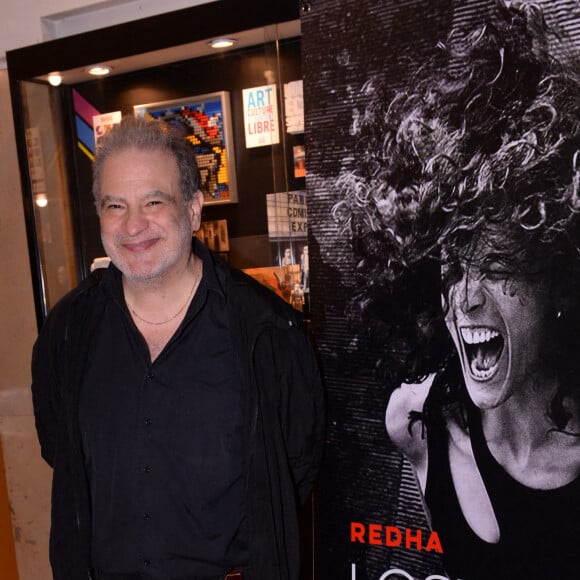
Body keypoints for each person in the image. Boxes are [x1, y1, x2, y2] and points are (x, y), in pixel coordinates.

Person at [334, 2, 580, 578]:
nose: (464, 297)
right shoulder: (413, 424)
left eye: (496, 262)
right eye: (451, 261)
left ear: (559, 271)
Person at [31, 116, 324, 580]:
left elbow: (296, 468)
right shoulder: (69, 332)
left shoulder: (265, 332)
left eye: (153, 201)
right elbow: (58, 449)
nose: (133, 225)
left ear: (192, 210)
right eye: (115, 205)